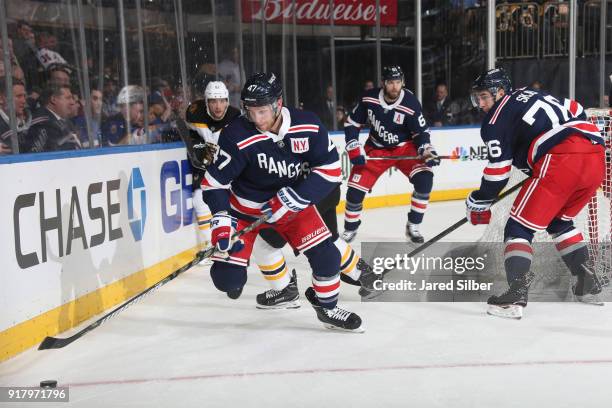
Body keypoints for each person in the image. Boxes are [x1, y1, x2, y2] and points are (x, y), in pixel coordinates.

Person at [201, 72, 363, 332]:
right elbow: (213, 183)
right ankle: (242, 271)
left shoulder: (307, 125)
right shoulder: (236, 134)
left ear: (278, 103)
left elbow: (331, 168)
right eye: (250, 111)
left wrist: (297, 197)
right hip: (245, 212)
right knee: (227, 281)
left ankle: (328, 308)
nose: (256, 118)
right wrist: (221, 219)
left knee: (328, 257)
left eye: (262, 111)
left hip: (292, 206)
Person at [467, 68, 605, 319]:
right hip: (595, 156)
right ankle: (588, 285)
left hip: (561, 160)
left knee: (518, 228)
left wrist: (479, 200)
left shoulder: (494, 121)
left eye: (485, 96)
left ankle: (515, 296)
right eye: (478, 98)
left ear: (500, 92)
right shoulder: (528, 93)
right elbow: (575, 108)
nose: (481, 103)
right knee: (559, 221)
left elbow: (498, 172)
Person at [341, 65, 440, 244]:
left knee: (425, 180)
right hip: (376, 148)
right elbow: (352, 124)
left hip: (404, 148)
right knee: (354, 192)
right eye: (390, 82)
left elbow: (420, 132)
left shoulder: (410, 102)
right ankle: (350, 228)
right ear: (383, 83)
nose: (395, 86)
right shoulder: (369, 98)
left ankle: (413, 225)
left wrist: (425, 148)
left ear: (402, 82)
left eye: (398, 82)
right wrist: (353, 145)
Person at [184, 80, 241, 250]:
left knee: (234, 199)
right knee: (199, 199)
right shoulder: (194, 112)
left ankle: (231, 235)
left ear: (228, 101)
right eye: (213, 101)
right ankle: (209, 244)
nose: (218, 106)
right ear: (206, 102)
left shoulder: (235, 116)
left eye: (222, 101)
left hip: (227, 162)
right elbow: (191, 135)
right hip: (206, 163)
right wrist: (199, 149)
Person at [26, 83, 80, 152]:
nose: (72, 102)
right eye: (68, 98)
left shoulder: (66, 122)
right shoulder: (41, 124)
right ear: (53, 99)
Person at [0, 78, 30, 154]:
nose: (23, 101)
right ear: (1, 99)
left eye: (24, 96)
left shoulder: (29, 120)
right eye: (19, 96)